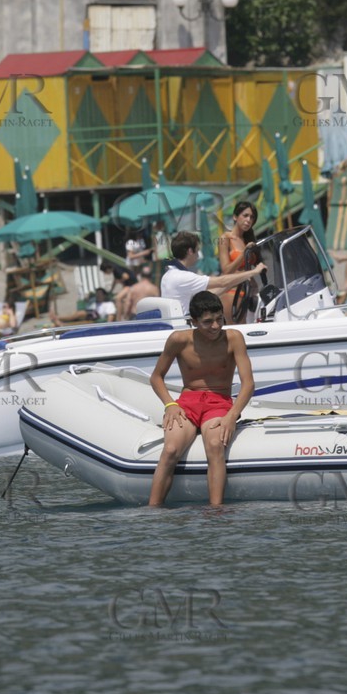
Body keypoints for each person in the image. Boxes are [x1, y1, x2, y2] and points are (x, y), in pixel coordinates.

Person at [147, 290, 256, 508]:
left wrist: (232, 416)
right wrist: (170, 404)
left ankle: (215, 511)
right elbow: (156, 377)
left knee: (215, 445)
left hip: (219, 402)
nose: (215, 326)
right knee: (170, 450)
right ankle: (153, 510)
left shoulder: (234, 338)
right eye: (207, 322)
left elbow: (248, 384)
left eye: (219, 319)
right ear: (193, 321)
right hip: (187, 403)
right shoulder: (178, 340)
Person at [158, 231, 266, 312]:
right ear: (190, 251)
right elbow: (221, 281)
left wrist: (238, 280)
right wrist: (254, 272)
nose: (198, 254)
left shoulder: (168, 275)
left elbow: (211, 292)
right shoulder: (183, 277)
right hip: (184, 330)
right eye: (197, 249)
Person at [217, 200, 259, 321]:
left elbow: (247, 268)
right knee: (233, 333)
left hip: (248, 293)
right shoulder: (225, 238)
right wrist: (244, 253)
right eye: (245, 215)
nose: (248, 220)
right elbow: (226, 270)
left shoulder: (247, 239)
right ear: (235, 217)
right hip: (231, 292)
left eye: (252, 217)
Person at [50, 287, 116, 327]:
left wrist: (108, 325)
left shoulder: (109, 304)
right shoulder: (94, 301)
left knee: (80, 313)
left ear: (104, 295)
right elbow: (86, 304)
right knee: (77, 315)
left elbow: (111, 315)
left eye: (99, 294)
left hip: (96, 316)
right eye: (97, 294)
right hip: (90, 313)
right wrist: (87, 298)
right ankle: (60, 322)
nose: (98, 295)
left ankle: (58, 318)